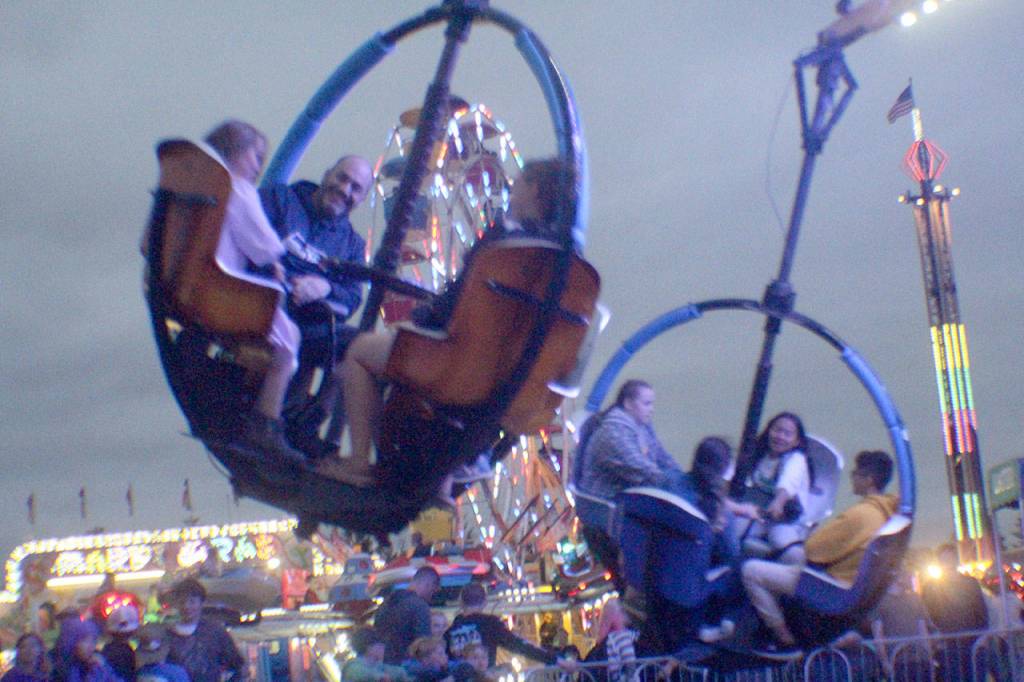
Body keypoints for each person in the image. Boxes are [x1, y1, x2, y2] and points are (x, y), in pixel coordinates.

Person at [317, 158, 569, 488]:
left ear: (534, 188)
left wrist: (421, 317)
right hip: (509, 383)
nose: (512, 188)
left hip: (457, 363)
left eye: (519, 182)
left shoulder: (504, 243)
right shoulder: (562, 261)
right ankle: (438, 484)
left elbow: (462, 304)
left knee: (360, 352)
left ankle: (360, 463)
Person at [204, 120, 304, 467]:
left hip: (190, 289)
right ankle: (265, 426)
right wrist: (281, 267)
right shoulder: (238, 189)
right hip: (225, 295)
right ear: (236, 150)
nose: (260, 165)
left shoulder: (191, 186)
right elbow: (266, 248)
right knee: (288, 342)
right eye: (256, 155)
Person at [740, 449, 899, 653]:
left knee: (751, 571)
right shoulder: (884, 516)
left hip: (830, 587)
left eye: (855, 473)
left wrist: (811, 535)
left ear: (868, 480)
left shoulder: (862, 514)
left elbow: (814, 549)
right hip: (850, 589)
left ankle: (784, 639)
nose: (851, 477)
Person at [732, 412, 812, 558]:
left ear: (796, 441)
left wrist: (778, 502)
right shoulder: (758, 453)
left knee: (786, 548)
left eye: (787, 434)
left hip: (785, 520)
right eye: (777, 430)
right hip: (757, 514)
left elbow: (789, 481)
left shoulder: (797, 460)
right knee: (732, 529)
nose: (780, 436)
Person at [444, 583, 562, 669]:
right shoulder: (490, 624)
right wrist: (555, 660)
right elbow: (518, 645)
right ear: (485, 602)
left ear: (461, 603)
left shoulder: (449, 632)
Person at [920, 543, 989, 681]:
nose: (948, 563)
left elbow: (981, 611)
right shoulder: (930, 587)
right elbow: (927, 614)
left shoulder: (970, 583)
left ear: (956, 560)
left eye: (951, 559)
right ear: (939, 562)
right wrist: (934, 637)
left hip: (973, 643)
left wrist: (983, 636)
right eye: (944, 560)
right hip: (946, 645)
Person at [165, 577, 247, 681]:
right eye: (182, 602)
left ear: (202, 603)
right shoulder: (167, 634)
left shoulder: (215, 632)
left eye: (192, 602)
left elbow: (238, 666)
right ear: (176, 604)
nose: (187, 606)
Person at [375, 566, 441, 665]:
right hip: (408, 668)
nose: (431, 596)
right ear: (428, 585)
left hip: (383, 666)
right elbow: (423, 646)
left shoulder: (385, 605)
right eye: (433, 591)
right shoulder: (420, 607)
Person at [51, 617, 122, 682]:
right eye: (86, 641)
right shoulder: (61, 669)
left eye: (93, 641)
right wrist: (96, 670)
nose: (92, 646)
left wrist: (102, 667)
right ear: (73, 642)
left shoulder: (96, 661)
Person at [341, 627, 410, 682]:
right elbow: (360, 674)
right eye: (380, 644)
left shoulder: (378, 665)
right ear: (369, 647)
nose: (383, 648)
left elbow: (398, 672)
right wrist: (380, 677)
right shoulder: (353, 666)